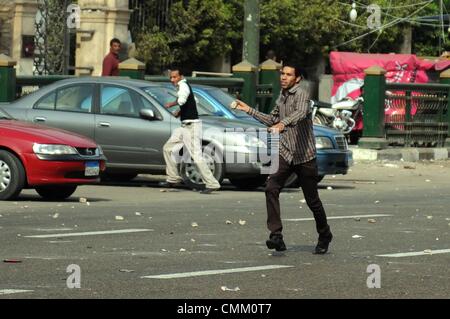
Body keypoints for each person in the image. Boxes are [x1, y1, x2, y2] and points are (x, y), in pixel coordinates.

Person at [234, 62, 333, 254]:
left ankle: (325, 234)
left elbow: (301, 113)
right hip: (285, 153)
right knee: (271, 187)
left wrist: (283, 124)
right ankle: (276, 236)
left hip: (304, 155)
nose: (283, 77)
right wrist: (249, 110)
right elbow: (272, 120)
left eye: (288, 74)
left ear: (297, 79)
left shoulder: (302, 94)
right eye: (282, 74)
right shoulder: (282, 96)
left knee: (312, 200)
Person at [161, 67, 221, 194]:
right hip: (184, 126)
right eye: (171, 77)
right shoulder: (184, 86)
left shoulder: (183, 86)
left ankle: (212, 183)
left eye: (175, 77)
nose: (172, 80)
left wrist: (171, 105)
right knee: (168, 148)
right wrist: (179, 111)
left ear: (181, 76)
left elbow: (182, 100)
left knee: (196, 155)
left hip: (192, 126)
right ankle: (173, 178)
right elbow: (193, 101)